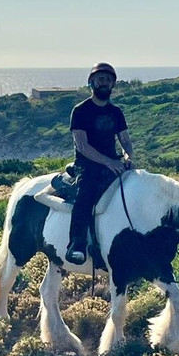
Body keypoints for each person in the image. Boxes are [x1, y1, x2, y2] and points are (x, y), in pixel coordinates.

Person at [66, 62, 136, 264]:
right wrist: (108, 162)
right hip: (88, 166)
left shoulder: (116, 112)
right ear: (91, 83)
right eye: (100, 79)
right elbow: (82, 146)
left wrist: (128, 156)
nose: (104, 83)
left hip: (113, 163)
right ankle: (77, 244)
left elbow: (125, 140)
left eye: (108, 80)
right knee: (85, 197)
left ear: (113, 84)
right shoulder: (80, 111)